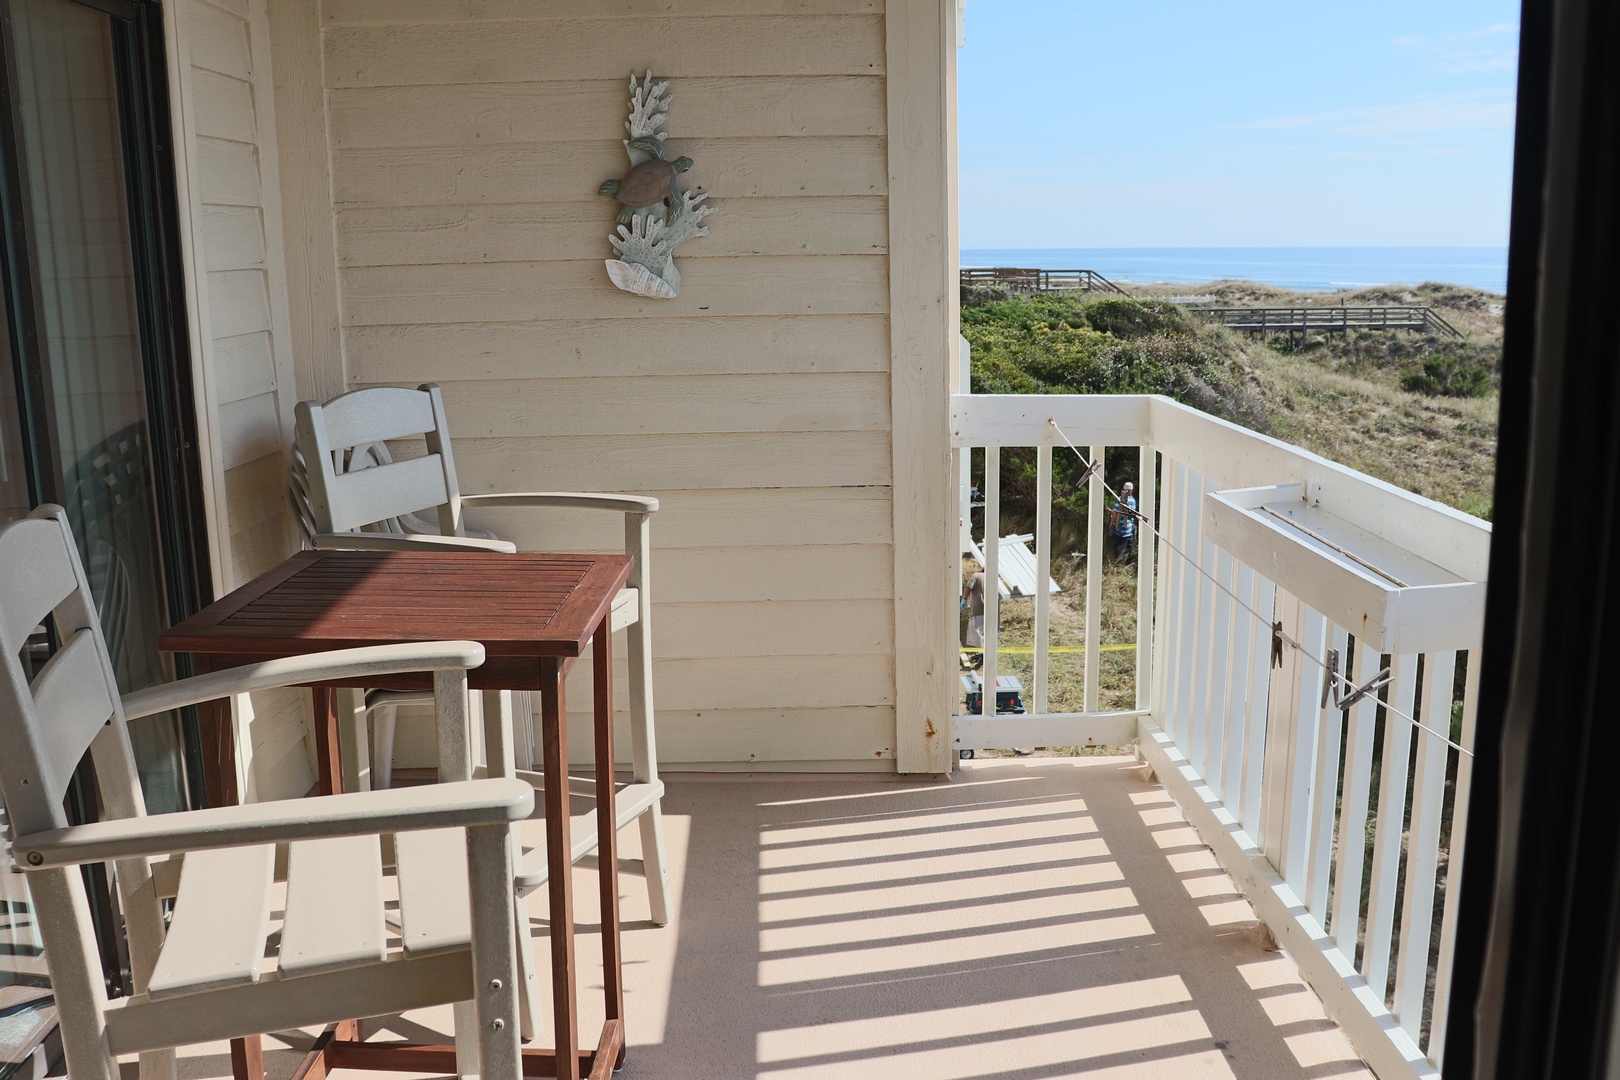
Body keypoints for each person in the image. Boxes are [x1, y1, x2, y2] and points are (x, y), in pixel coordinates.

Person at [1109, 482, 1138, 563]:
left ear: (1123, 490)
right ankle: (1128, 565)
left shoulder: (1120, 499)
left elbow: (1116, 513)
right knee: (1129, 550)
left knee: (1118, 549)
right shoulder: (1133, 500)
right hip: (1130, 529)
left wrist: (1111, 525)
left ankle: (1118, 565)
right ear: (1132, 491)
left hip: (1121, 530)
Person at [963, 566, 986, 652]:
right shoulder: (991, 577)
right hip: (988, 609)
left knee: (978, 633)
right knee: (984, 632)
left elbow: (968, 587)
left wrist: (964, 599)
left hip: (977, 609)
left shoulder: (976, 575)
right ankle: (984, 653)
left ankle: (981, 653)